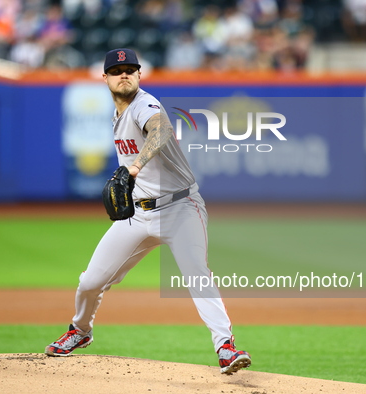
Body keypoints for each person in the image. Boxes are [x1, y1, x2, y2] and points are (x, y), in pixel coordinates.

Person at [44, 48, 252, 375]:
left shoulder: (145, 105)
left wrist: (136, 166)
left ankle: (225, 346)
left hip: (181, 207)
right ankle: (80, 331)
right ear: (106, 78)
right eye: (117, 70)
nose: (124, 74)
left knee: (197, 274)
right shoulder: (117, 115)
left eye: (130, 69)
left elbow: (161, 130)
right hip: (138, 215)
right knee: (90, 281)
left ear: (140, 75)